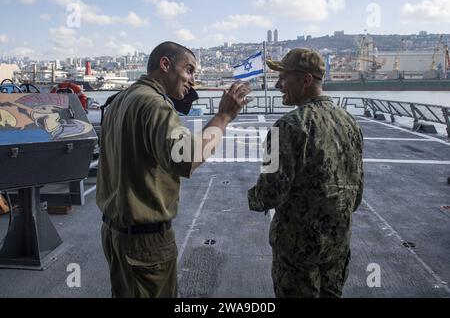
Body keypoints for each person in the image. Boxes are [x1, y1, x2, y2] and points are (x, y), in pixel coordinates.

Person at [96, 41, 251, 298]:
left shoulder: (120, 100)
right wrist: (224, 116)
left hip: (114, 233)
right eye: (189, 70)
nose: (192, 80)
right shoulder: (154, 105)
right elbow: (187, 159)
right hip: (144, 243)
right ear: (165, 64)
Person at [248, 48, 364, 298]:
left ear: (306, 80)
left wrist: (252, 198)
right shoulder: (350, 122)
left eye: (284, 77)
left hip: (297, 252)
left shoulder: (287, 126)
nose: (278, 84)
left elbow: (269, 193)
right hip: (337, 245)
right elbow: (357, 191)